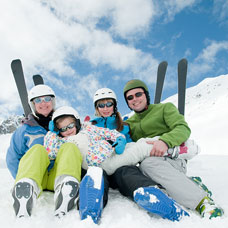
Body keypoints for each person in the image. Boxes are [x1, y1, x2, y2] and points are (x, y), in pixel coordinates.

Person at [122, 79, 224, 219]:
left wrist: (165, 141)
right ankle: (189, 183)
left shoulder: (164, 109)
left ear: (146, 95)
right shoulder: (130, 123)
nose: (135, 99)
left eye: (138, 94)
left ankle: (202, 202)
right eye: (130, 97)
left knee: (149, 163)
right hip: (150, 169)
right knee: (134, 172)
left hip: (173, 159)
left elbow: (182, 128)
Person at [88, 88, 193, 222]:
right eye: (101, 105)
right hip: (101, 165)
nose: (105, 108)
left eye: (109, 104)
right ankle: (91, 205)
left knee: (126, 172)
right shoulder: (91, 127)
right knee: (96, 173)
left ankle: (153, 193)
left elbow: (134, 146)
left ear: (114, 106)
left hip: (120, 166)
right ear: (96, 108)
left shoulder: (125, 126)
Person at [6, 85, 82, 218]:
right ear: (32, 104)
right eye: (38, 100)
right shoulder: (24, 130)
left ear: (53, 102)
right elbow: (12, 158)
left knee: (70, 147)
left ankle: (66, 188)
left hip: (57, 176)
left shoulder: (62, 125)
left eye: (47, 99)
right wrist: (21, 177)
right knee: (38, 149)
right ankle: (25, 188)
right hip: (36, 178)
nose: (43, 103)